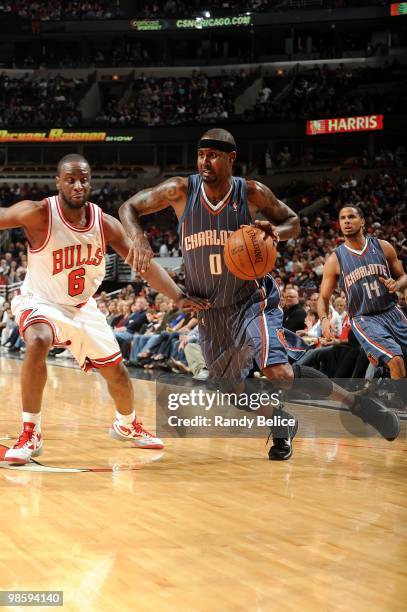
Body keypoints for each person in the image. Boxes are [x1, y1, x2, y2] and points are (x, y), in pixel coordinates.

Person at [119, 129, 400, 460]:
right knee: (231, 390)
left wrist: (274, 233)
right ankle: (280, 421)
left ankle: (360, 406)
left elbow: (293, 222)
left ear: (230, 158)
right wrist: (137, 238)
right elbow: (128, 208)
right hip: (211, 308)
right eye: (200, 155)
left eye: (212, 155)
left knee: (279, 373)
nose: (204, 161)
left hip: (253, 300)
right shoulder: (180, 190)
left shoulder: (250, 192)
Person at [0, 154, 208, 464]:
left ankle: (127, 425)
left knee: (119, 375)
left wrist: (178, 296)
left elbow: (143, 265)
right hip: (40, 300)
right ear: (58, 182)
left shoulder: (105, 224)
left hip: (83, 307)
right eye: (70, 179)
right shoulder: (39, 214)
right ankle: (31, 432)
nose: (77, 185)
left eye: (83, 179)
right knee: (38, 339)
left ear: (90, 182)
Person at [318, 205, 407, 379]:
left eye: (351, 217)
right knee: (395, 360)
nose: (346, 221)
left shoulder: (383, 246)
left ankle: (384, 385)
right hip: (364, 318)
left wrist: (396, 285)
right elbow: (323, 297)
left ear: (363, 222)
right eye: (342, 218)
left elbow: (404, 277)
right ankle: (401, 406)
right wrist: (324, 320)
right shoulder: (335, 259)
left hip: (392, 311)